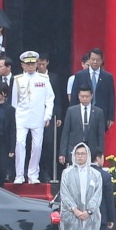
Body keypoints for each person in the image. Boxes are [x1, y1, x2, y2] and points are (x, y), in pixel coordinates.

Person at [59, 143, 102, 230]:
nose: (80, 156)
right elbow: (64, 193)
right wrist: (75, 210)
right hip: (71, 214)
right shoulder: (67, 173)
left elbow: (97, 195)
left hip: (89, 216)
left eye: (83, 154)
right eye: (78, 154)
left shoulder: (96, 174)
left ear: (88, 155)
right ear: (74, 155)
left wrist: (89, 211)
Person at [11, 51, 55, 184]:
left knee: (37, 146)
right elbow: (14, 102)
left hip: (38, 117)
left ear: (36, 64)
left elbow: (50, 98)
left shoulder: (44, 79)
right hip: (22, 117)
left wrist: (47, 115)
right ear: (22, 65)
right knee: (19, 143)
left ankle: (33, 174)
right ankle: (19, 175)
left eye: (32, 63)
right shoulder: (18, 79)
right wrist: (14, 117)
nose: (30, 66)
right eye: (27, 64)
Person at [37, 52, 67, 182]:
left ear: (47, 63)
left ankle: (47, 171)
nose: (41, 66)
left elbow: (58, 98)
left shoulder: (53, 78)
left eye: (43, 64)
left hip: (50, 115)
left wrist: (58, 115)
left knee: (49, 144)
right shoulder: (33, 77)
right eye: (39, 63)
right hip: (35, 114)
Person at [58, 85, 105, 165]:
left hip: (92, 150)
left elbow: (100, 134)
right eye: (82, 96)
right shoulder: (71, 111)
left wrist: (100, 153)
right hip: (74, 149)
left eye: (87, 96)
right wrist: (62, 153)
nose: (85, 99)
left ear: (92, 96)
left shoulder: (98, 112)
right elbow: (65, 133)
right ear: (78, 96)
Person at [70, 48, 116, 130]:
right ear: (89, 59)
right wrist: (72, 114)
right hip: (83, 112)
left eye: (97, 60)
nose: (95, 62)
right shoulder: (80, 75)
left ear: (101, 61)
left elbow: (111, 97)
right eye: (93, 59)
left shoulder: (108, 77)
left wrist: (111, 117)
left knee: (99, 139)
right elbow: (74, 95)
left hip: (101, 113)